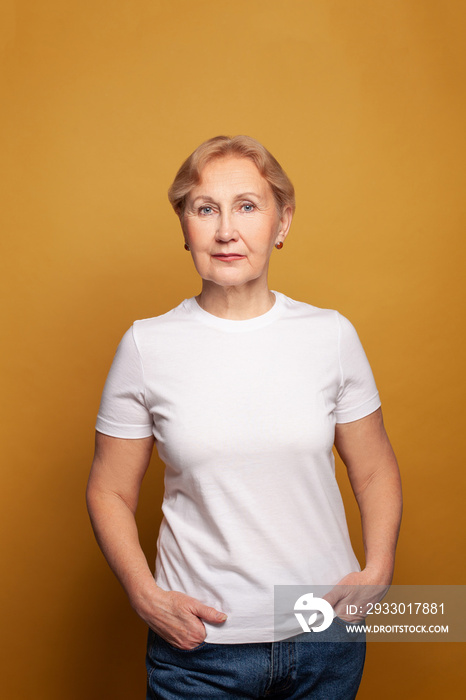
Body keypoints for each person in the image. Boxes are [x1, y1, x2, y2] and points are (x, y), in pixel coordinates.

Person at [86, 135, 402, 699]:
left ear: (282, 224)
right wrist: (144, 593)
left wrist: (377, 569)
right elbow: (108, 490)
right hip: (199, 651)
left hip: (324, 641)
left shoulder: (330, 336)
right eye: (206, 208)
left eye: (247, 206)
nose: (226, 229)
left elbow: (374, 468)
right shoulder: (145, 347)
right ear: (185, 226)